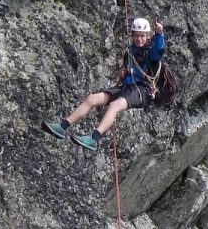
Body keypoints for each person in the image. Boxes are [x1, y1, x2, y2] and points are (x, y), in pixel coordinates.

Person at [44, 17, 166, 150]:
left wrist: (159, 34)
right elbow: (128, 70)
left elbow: (158, 51)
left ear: (148, 36)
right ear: (132, 36)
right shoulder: (130, 52)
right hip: (127, 87)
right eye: (136, 36)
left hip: (142, 91)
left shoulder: (150, 51)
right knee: (91, 99)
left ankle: (93, 139)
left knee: (114, 105)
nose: (139, 39)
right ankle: (62, 127)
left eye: (142, 36)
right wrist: (123, 74)